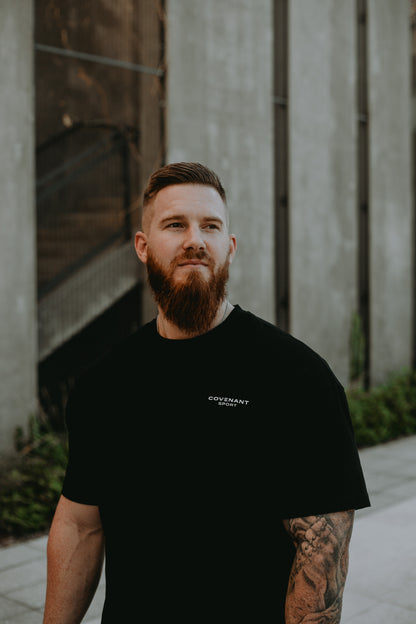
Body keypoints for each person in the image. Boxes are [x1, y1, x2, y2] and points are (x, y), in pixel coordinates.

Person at [43, 162, 370, 623]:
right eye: (175, 224)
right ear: (143, 246)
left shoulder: (298, 378)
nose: (194, 239)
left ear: (229, 247)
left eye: (210, 226)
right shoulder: (105, 383)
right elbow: (80, 524)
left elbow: (321, 553)